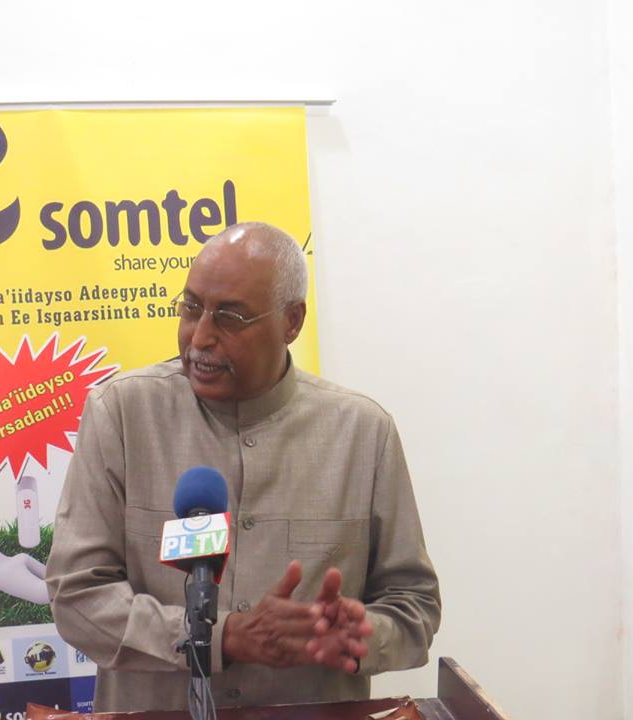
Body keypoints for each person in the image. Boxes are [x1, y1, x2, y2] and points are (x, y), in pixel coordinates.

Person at [46, 222, 441, 712]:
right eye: (191, 308)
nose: (200, 337)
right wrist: (221, 638)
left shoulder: (363, 433)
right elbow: (76, 596)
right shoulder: (122, 414)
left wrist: (363, 635)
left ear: (291, 322)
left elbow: (415, 605)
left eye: (230, 317)